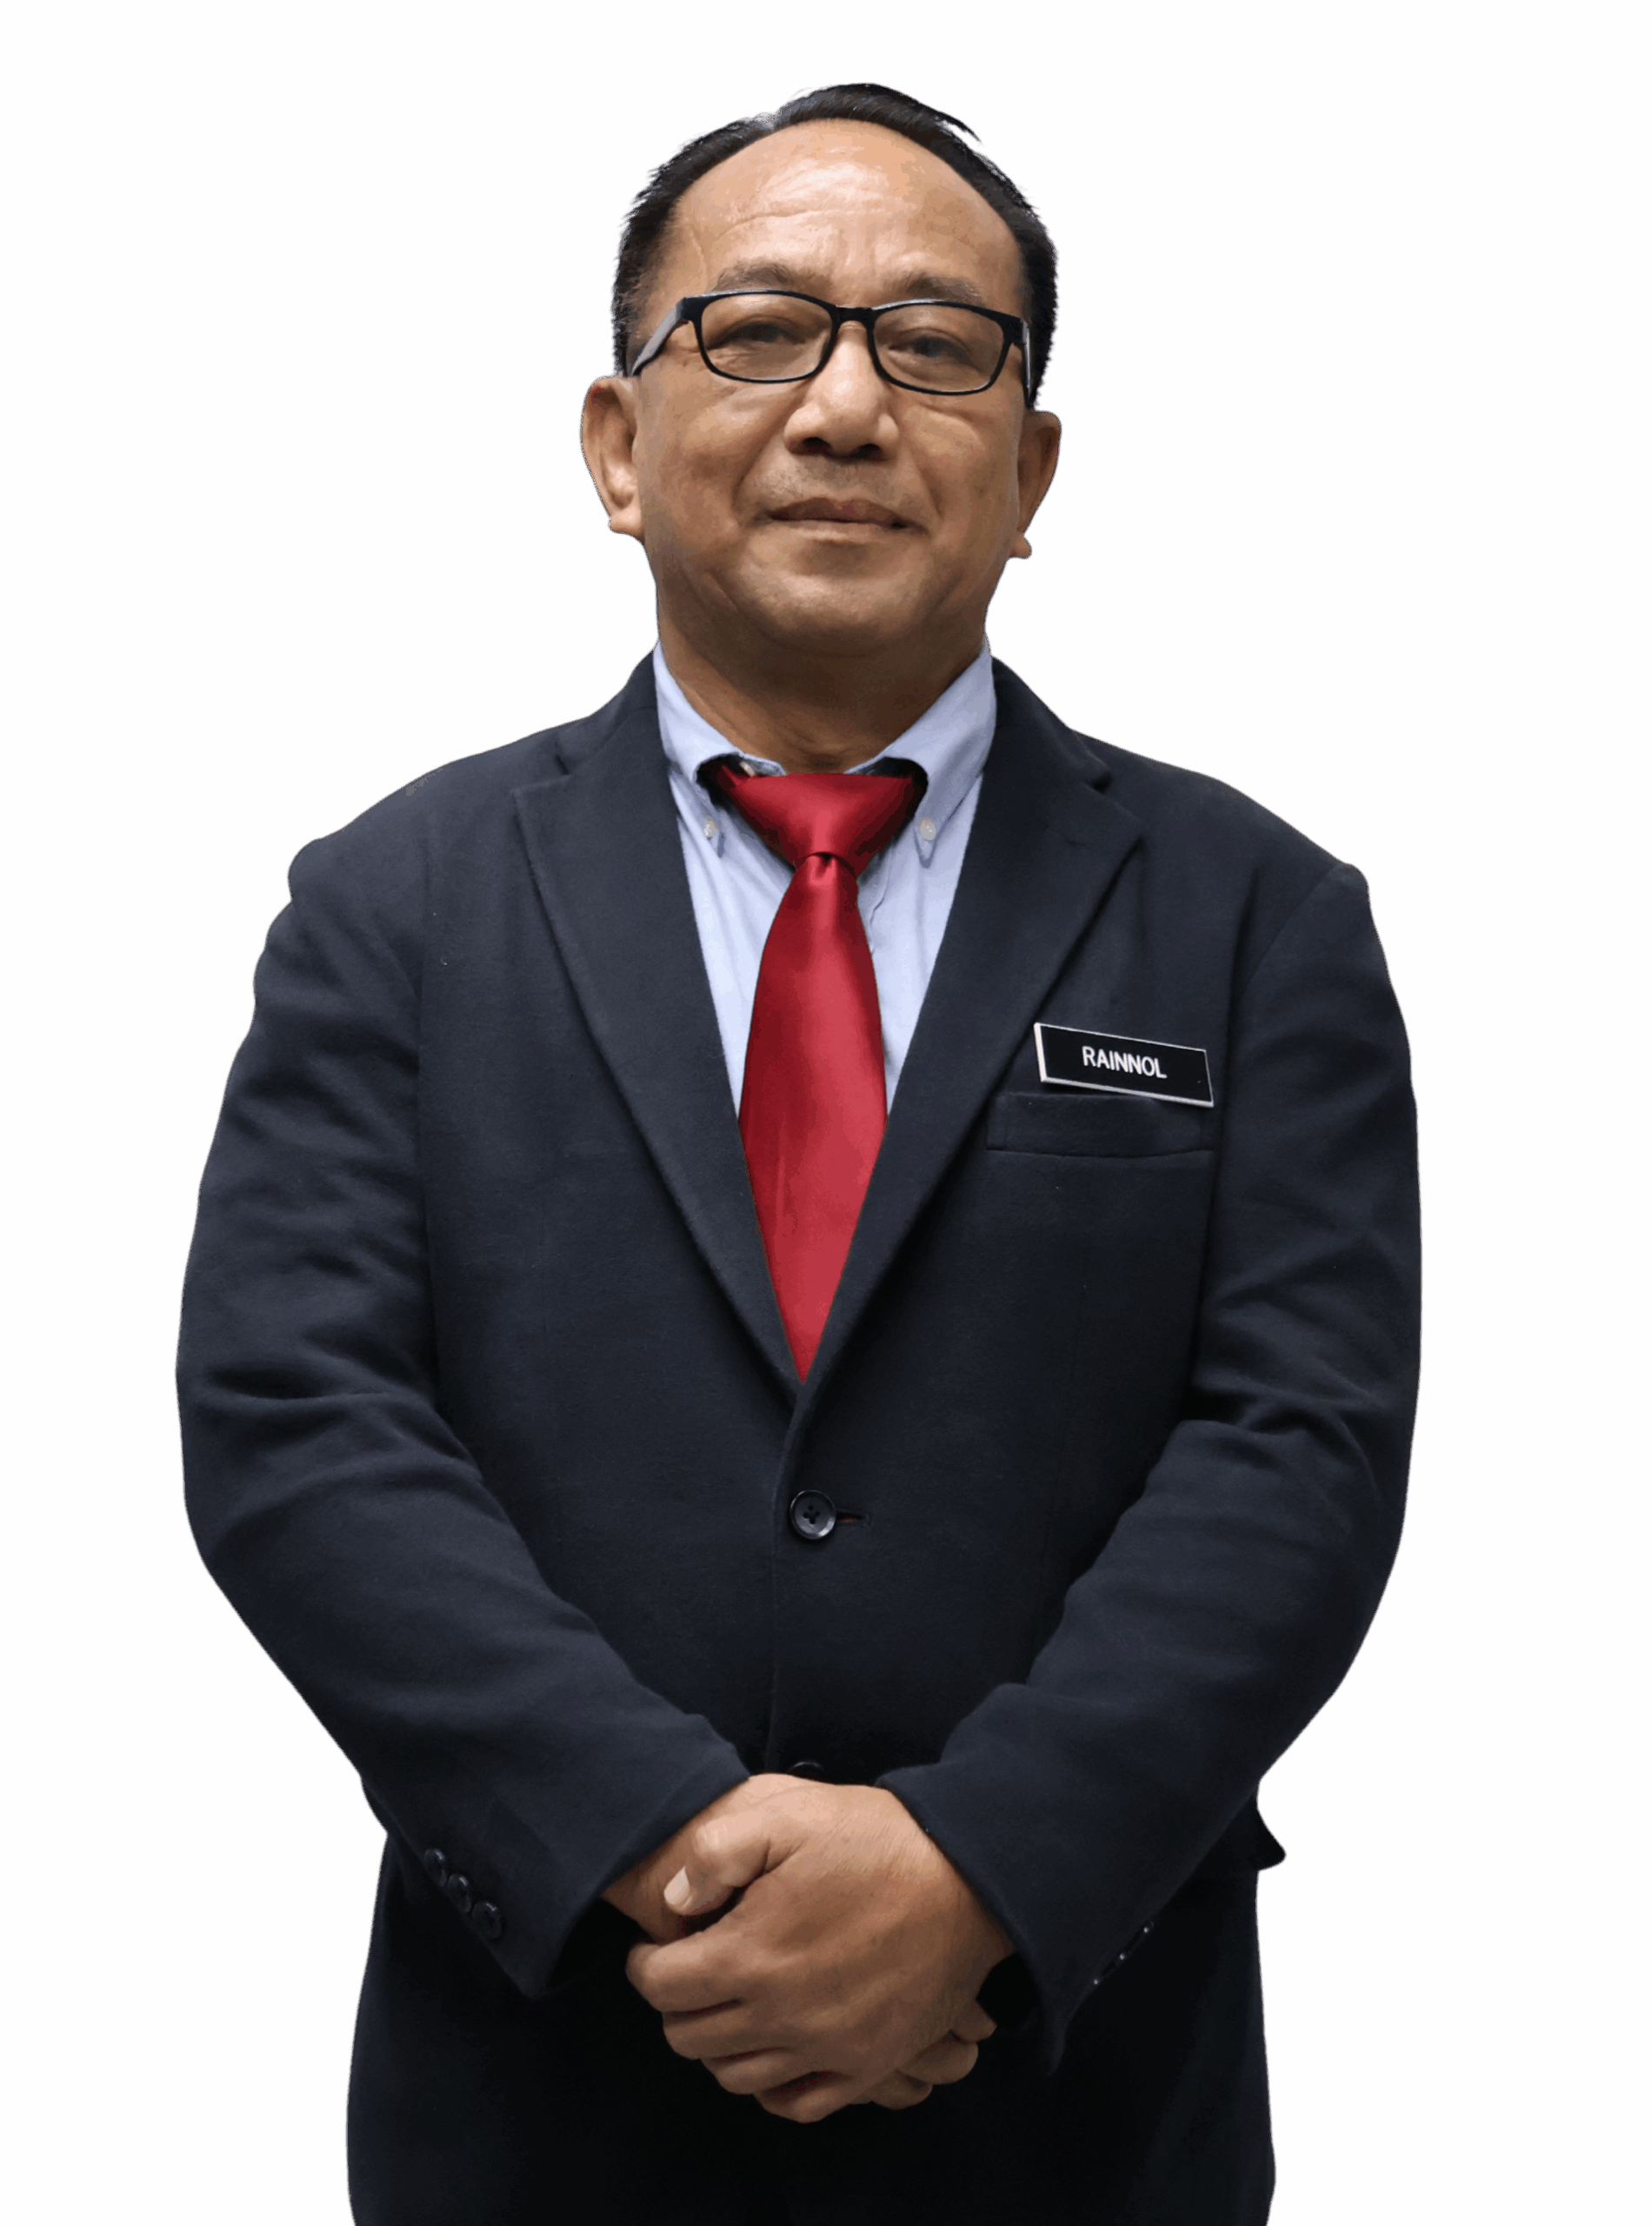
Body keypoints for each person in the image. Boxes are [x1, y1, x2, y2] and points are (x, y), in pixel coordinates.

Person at [179, 83, 1420, 2226]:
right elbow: (294, 1421)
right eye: (756, 332)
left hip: (1081, 2099)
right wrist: (668, 1845)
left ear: (1030, 472)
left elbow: (1293, 1450)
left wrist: (971, 1869)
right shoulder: (392, 902)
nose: (846, 407)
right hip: (541, 2089)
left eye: (934, 345)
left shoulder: (1254, 916)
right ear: (612, 443)